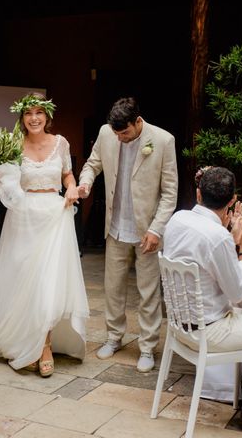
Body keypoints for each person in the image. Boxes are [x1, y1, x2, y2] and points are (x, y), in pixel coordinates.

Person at [0, 92, 89, 377]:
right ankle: (23, 337)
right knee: (24, 280)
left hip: (54, 215)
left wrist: (72, 188)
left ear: (47, 116)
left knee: (49, 281)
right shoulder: (11, 146)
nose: (34, 118)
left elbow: (67, 176)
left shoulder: (61, 143)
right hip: (22, 218)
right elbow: (6, 183)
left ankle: (44, 344)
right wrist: (3, 179)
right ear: (22, 118)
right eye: (28, 114)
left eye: (39, 112)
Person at [162, 166, 242, 429]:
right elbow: (237, 292)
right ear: (232, 200)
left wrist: (232, 237)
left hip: (180, 327)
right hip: (210, 330)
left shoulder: (178, 219)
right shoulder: (216, 237)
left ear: (198, 194)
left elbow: (205, 258)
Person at [78, 96, 178, 372]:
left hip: (148, 230)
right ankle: (114, 337)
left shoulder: (163, 140)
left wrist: (157, 229)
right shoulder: (106, 133)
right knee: (113, 287)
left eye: (125, 133)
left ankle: (147, 346)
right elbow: (92, 164)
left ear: (138, 122)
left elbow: (170, 194)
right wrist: (85, 184)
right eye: (116, 133)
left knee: (148, 291)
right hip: (116, 225)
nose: (120, 138)